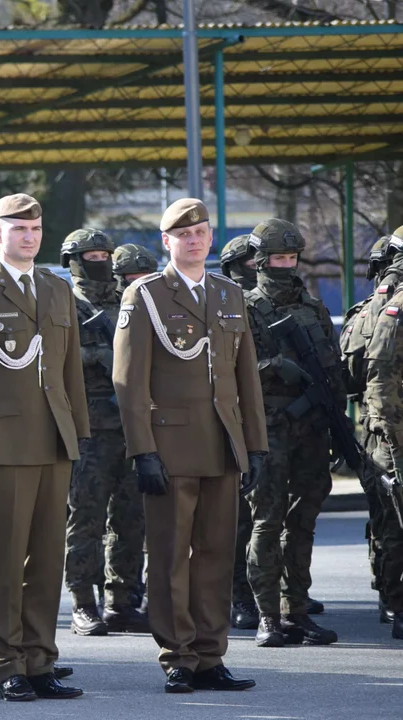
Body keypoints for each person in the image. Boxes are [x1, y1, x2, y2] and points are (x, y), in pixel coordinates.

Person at [113, 198, 267, 694]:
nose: (195, 239)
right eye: (184, 234)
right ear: (167, 242)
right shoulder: (146, 296)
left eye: (201, 231)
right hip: (171, 445)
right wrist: (143, 450)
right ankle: (177, 656)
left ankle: (209, 654)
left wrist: (256, 446)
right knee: (171, 554)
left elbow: (247, 378)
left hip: (222, 442)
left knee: (218, 554)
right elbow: (128, 381)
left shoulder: (228, 293)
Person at [0, 194, 88, 703]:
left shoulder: (56, 288)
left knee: (48, 560)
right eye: (17, 228)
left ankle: (40, 657)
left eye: (35, 227)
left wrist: (80, 436)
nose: (28, 236)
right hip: (2, 446)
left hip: (52, 442)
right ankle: (7, 662)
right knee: (2, 561)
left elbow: (70, 373)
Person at [240, 219, 341, 648]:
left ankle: (295, 610)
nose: (286, 266)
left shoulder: (314, 307)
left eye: (291, 258)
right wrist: (276, 366)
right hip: (269, 429)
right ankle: (267, 616)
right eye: (277, 259)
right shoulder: (246, 306)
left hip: (312, 428)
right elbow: (231, 372)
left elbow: (331, 366)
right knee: (266, 520)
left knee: (303, 523)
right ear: (260, 262)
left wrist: (338, 421)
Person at [59, 229, 147, 636]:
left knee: (132, 519)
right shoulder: (63, 303)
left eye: (104, 254)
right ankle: (83, 603)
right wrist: (95, 355)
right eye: (90, 255)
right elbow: (46, 355)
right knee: (86, 518)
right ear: (73, 260)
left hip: (130, 424)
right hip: (88, 429)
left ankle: (124, 600)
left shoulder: (127, 300)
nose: (99, 261)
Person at [341, 236, 394, 625]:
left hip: (378, 431)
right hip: (388, 431)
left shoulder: (366, 311)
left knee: (385, 518)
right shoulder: (385, 309)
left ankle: (390, 597)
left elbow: (348, 374)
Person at [361, 237, 403, 640]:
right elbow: (380, 377)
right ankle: (397, 602)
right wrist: (391, 438)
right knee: (392, 523)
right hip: (394, 434)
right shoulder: (395, 307)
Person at [218, 234, 259, 630]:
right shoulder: (223, 305)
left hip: (272, 424)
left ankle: (280, 595)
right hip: (229, 425)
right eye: (248, 263)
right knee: (237, 521)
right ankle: (239, 596)